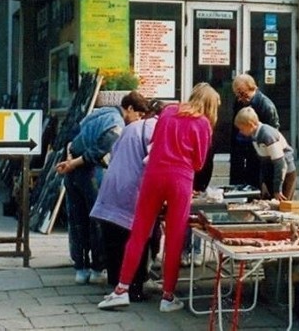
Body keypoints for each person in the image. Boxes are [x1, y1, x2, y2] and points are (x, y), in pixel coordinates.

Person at [98, 82, 219, 313]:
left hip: (153, 174)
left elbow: (154, 143)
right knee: (174, 238)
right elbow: (199, 162)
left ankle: (121, 290)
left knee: (139, 231)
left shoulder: (169, 110)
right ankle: (168, 297)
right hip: (180, 179)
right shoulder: (203, 124)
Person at [56, 91, 149, 285]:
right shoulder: (117, 124)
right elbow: (97, 152)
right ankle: (97, 267)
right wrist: (75, 163)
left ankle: (80, 267)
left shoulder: (99, 112)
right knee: (97, 220)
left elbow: (74, 135)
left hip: (72, 169)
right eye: (139, 115)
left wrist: (70, 159)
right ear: (130, 108)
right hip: (91, 173)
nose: (138, 120)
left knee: (76, 219)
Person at [90, 98, 164, 301]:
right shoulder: (156, 129)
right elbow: (155, 163)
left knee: (114, 239)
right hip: (133, 191)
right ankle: (134, 288)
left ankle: (115, 283)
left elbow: (113, 154)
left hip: (111, 186)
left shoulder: (132, 127)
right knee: (136, 241)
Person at [233, 106, 296, 200]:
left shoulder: (267, 135)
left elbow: (280, 164)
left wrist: (277, 190)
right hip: (272, 171)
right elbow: (264, 162)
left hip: (285, 174)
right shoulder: (254, 136)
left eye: (242, 129)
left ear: (250, 125)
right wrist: (264, 183)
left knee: (283, 206)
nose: (241, 132)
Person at [229, 74, 279, 189]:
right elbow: (235, 129)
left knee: (255, 188)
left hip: (258, 155)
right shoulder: (239, 102)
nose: (240, 98)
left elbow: (272, 136)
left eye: (242, 93)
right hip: (241, 152)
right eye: (237, 94)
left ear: (252, 87)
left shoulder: (266, 106)